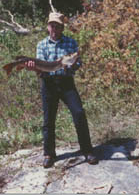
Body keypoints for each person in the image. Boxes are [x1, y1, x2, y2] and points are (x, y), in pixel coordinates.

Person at [25, 12, 98, 168]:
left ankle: (87, 150)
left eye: (57, 26)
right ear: (48, 27)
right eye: (52, 25)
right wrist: (34, 68)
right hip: (48, 84)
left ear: (62, 27)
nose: (54, 29)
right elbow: (41, 69)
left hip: (66, 83)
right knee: (48, 120)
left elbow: (78, 63)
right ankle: (49, 154)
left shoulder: (71, 43)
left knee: (79, 113)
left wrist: (72, 64)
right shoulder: (42, 45)